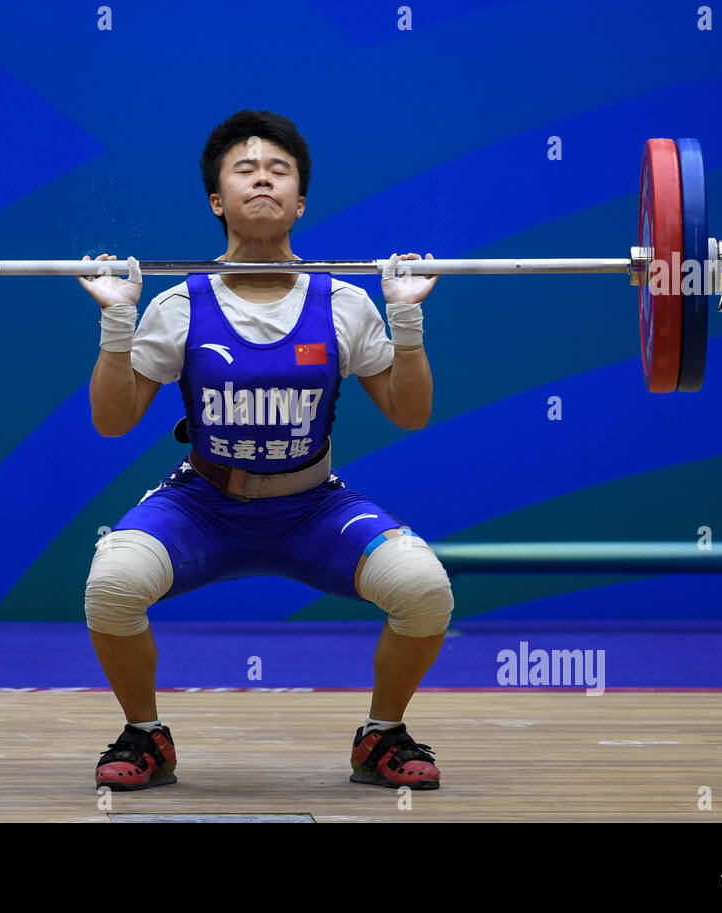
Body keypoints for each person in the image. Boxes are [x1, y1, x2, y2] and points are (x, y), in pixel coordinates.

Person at [77, 110, 454, 792]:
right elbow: (112, 419)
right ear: (217, 199)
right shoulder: (177, 305)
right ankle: (146, 735)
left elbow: (411, 411)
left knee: (425, 590)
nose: (263, 179)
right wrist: (115, 320)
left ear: (300, 200)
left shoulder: (344, 302)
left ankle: (381, 736)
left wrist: (406, 315)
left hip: (311, 507)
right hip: (203, 506)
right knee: (111, 586)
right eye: (245, 169)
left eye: (279, 170)